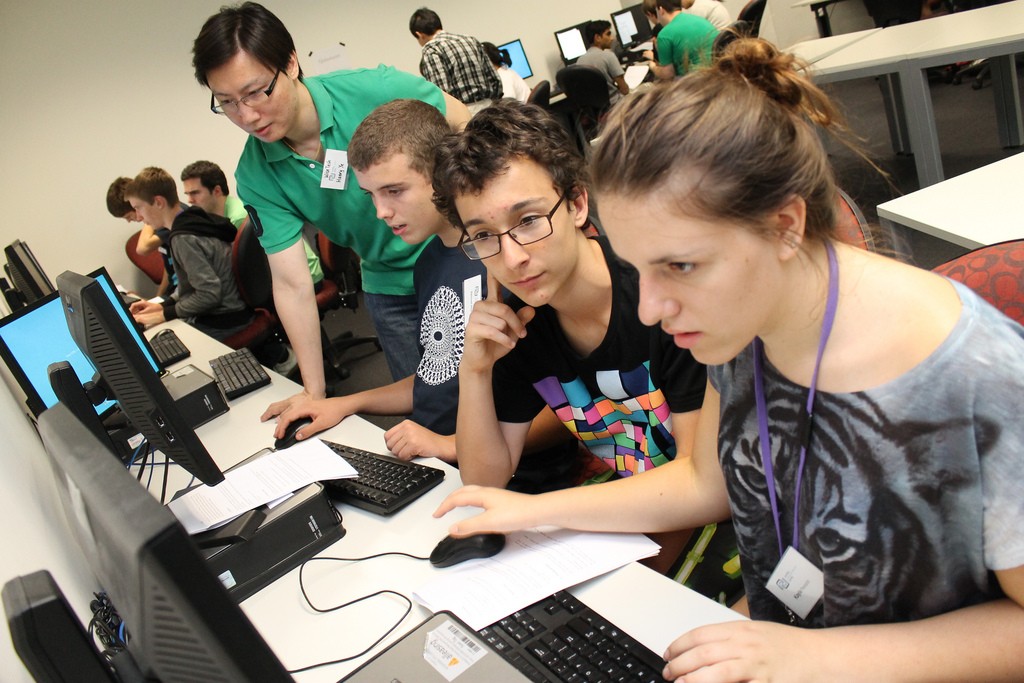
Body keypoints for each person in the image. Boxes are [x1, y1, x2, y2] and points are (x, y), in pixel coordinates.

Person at [435, 39, 1024, 681]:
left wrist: (814, 655)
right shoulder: (742, 328)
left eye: (680, 266)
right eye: (640, 268)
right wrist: (531, 510)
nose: (653, 308)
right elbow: (709, 483)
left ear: (784, 225)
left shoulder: (976, 377)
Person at [191, 2, 471, 420]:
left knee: (507, 393)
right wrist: (314, 392)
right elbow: (290, 283)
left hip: (461, 259)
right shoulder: (256, 173)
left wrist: (481, 236)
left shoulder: (372, 89)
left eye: (256, 92)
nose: (247, 115)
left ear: (290, 62)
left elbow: (463, 125)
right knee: (433, 413)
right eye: (227, 102)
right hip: (391, 284)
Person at [273, 100, 576, 481]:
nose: (381, 211)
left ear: (441, 176)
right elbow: (434, 374)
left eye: (394, 191)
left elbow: (571, 404)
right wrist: (346, 402)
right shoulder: (429, 264)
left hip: (511, 472)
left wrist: (449, 444)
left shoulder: (506, 262)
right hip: (440, 461)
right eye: (371, 195)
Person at [431, 100, 706, 491]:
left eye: (528, 221)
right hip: (639, 510)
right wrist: (474, 370)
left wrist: (530, 512)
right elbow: (483, 480)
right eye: (483, 236)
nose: (513, 258)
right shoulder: (519, 326)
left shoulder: (663, 296)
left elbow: (698, 481)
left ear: (577, 204)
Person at [124, 167, 252, 342]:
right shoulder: (192, 219)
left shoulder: (183, 238)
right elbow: (190, 288)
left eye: (139, 208)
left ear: (159, 202)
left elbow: (209, 295)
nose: (138, 217)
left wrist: (164, 315)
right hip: (234, 310)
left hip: (225, 320)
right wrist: (162, 306)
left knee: (157, 345)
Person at [180, 159, 325, 289]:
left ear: (217, 191)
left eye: (195, 193)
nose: (190, 200)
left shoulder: (238, 218)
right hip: (295, 275)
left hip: (305, 279)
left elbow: (245, 270)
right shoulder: (229, 212)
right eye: (187, 194)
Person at [409, 8, 502, 114]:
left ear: (419, 34)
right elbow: (495, 80)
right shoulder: (470, 40)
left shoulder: (431, 49)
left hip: (464, 114)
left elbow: (441, 94)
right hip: (490, 108)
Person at [107, 176, 176, 298]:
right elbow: (169, 266)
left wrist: (146, 220)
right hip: (173, 294)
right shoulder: (158, 224)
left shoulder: (172, 218)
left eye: (129, 215)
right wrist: (157, 299)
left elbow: (142, 248)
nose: (136, 219)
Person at [644, 0, 718, 80]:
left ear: (661, 10)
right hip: (717, 75)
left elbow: (668, 74)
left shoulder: (664, 35)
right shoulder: (700, 20)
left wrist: (653, 66)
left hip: (696, 82)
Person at [576, 21, 629, 106]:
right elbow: (625, 89)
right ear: (597, 37)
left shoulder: (579, 61)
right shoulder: (608, 56)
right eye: (608, 34)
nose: (611, 38)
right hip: (616, 106)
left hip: (597, 112)